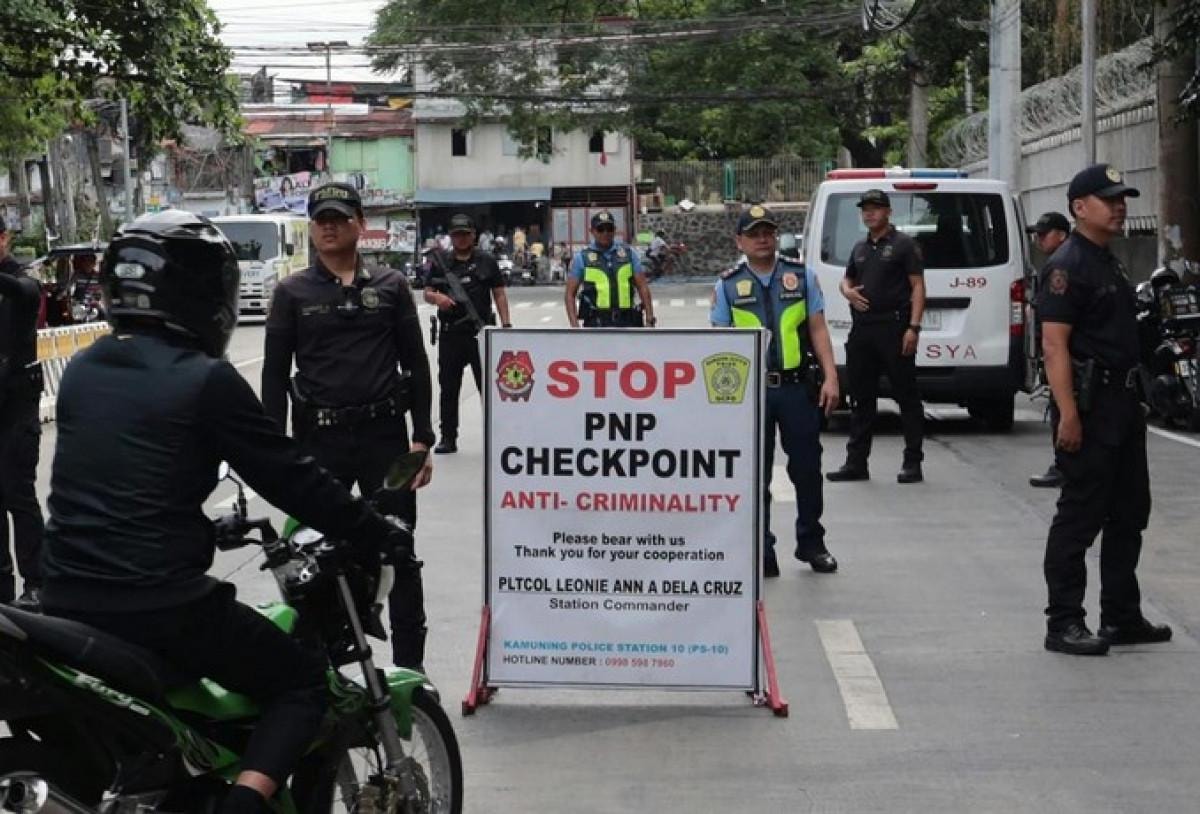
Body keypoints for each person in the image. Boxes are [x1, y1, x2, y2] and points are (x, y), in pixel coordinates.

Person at [40, 210, 414, 814]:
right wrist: (375, 531)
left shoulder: (84, 369)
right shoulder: (204, 379)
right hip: (160, 605)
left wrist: (200, 529)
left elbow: (123, 485)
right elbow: (291, 479)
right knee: (302, 684)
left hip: (62, 597)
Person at [262, 182, 435, 670]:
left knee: (398, 551)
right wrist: (273, 450)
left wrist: (422, 438)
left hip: (385, 441)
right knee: (314, 558)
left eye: (339, 218)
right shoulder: (291, 292)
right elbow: (274, 376)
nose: (329, 227)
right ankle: (323, 674)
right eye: (321, 219)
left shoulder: (391, 285)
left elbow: (416, 364)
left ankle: (411, 673)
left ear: (360, 224)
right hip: (320, 442)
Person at [1036, 164, 1171, 656]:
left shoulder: (1107, 260)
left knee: (1129, 512)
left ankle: (1120, 615)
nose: (1119, 207)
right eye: (1109, 199)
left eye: (1123, 199)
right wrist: (1069, 413)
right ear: (1079, 207)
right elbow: (1054, 346)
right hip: (1091, 407)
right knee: (1080, 515)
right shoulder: (1067, 266)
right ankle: (1064, 622)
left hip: (1124, 404)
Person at [711, 205, 840, 577]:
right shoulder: (728, 285)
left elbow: (818, 329)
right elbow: (719, 344)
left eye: (768, 232)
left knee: (808, 470)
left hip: (797, 389)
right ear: (740, 241)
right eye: (754, 234)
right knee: (755, 476)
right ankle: (761, 550)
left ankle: (812, 544)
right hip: (752, 395)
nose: (762, 239)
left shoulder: (801, 277)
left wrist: (831, 376)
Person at [827, 188, 927, 484]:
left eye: (875, 208)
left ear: (888, 212)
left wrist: (913, 328)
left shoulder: (904, 245)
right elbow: (847, 279)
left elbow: (918, 286)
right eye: (865, 209)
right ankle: (856, 463)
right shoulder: (860, 247)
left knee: (906, 396)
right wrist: (846, 291)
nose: (869, 213)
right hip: (863, 329)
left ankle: (913, 462)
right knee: (861, 398)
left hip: (893, 327)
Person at [423, 213, 512, 454]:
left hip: (480, 333)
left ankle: (497, 437)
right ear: (451, 237)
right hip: (451, 334)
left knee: (488, 389)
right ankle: (448, 438)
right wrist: (437, 298)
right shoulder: (441, 261)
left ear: (473, 235)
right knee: (449, 388)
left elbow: (499, 293)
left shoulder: (487, 260)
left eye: (465, 234)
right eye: (457, 234)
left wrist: (506, 325)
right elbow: (427, 291)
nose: (461, 238)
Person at [0, 216, 44, 606]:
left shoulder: (22, 281)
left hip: (18, 408)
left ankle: (36, 584)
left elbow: (23, 291)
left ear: (5, 238)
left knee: (19, 495)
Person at [1025, 211, 1072, 489]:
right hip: (1065, 351)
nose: (1039, 239)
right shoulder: (1060, 261)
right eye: (1037, 234)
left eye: (1044, 234)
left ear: (1061, 235)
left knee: (1063, 408)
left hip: (1067, 353)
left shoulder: (1061, 265)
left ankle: (1064, 465)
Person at [565, 211, 657, 328]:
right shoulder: (582, 258)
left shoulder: (629, 254)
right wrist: (575, 327)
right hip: (596, 324)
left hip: (627, 322)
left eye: (609, 229)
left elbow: (642, 286)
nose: (605, 233)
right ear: (592, 231)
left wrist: (649, 317)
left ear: (615, 230)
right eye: (600, 229)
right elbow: (570, 294)